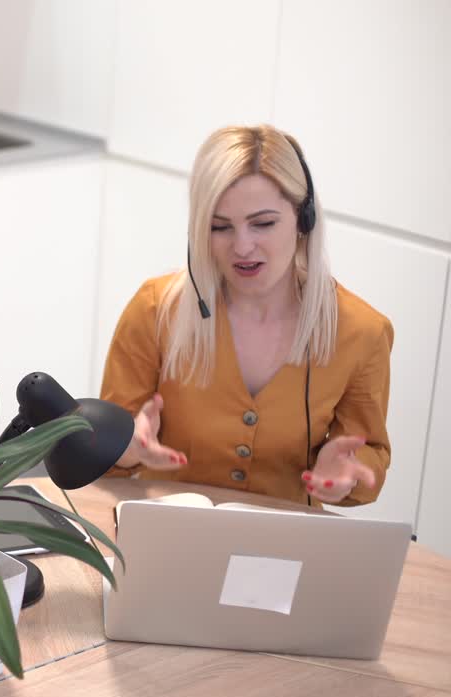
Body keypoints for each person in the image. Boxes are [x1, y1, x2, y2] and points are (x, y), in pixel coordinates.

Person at [102, 125, 393, 507]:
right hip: (168, 536)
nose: (241, 246)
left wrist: (348, 475)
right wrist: (126, 449)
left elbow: (370, 455)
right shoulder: (155, 311)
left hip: (288, 548)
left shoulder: (362, 333)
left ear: (304, 219)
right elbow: (105, 452)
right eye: (220, 227)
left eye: (263, 223)